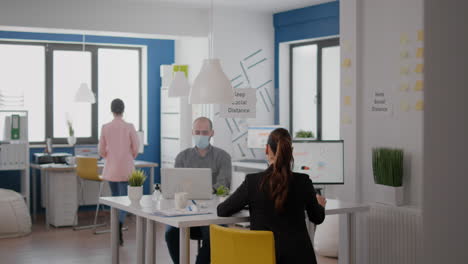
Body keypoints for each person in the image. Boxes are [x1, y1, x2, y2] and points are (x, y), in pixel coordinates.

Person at [217, 128, 327, 264]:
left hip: (264, 258)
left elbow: (222, 210)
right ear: (290, 151)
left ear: (267, 149)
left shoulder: (252, 182)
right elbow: (317, 217)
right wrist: (320, 205)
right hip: (300, 258)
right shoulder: (303, 181)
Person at [165, 116, 232, 264]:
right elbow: (177, 187)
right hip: (186, 210)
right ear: (192, 132)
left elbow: (224, 186)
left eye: (204, 132)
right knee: (170, 233)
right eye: (197, 132)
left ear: (212, 133)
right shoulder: (182, 157)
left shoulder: (223, 157)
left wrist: (202, 192)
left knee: (213, 235)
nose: (200, 135)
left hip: (213, 211)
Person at [99, 98, 139, 246]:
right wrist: (129, 157)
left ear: (112, 110)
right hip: (126, 168)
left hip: (111, 168)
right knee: (124, 200)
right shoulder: (129, 126)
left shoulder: (105, 127)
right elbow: (136, 147)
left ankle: (115, 226)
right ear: (123, 110)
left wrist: (109, 157)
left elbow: (101, 150)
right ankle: (119, 226)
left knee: (115, 199)